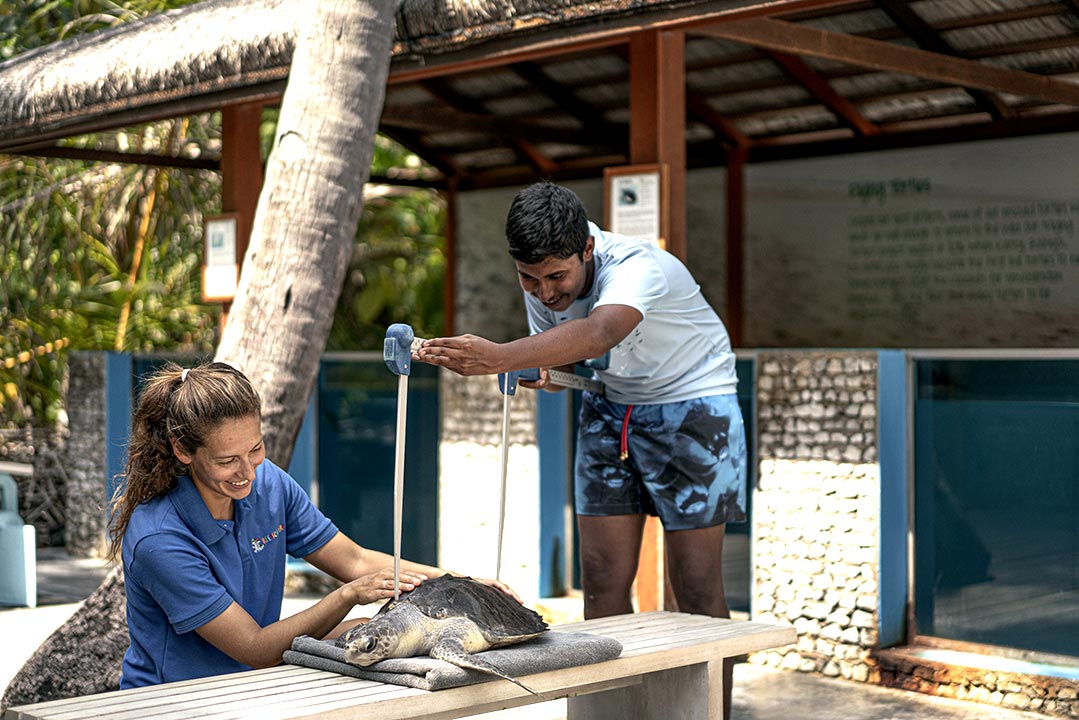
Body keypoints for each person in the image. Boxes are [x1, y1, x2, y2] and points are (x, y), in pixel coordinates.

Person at [415, 181, 746, 717]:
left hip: (694, 408)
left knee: (697, 584)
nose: (545, 293)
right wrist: (542, 373)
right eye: (529, 278)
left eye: (556, 277)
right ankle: (613, 714)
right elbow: (567, 359)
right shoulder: (545, 283)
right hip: (610, 406)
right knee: (600, 575)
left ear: (587, 249)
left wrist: (498, 356)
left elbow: (599, 332)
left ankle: (708, 713)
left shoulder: (638, 265)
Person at [107, 361, 516, 689]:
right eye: (226, 460)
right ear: (183, 450)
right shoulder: (159, 537)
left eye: (256, 449)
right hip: (174, 700)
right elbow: (254, 647)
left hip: (258, 683)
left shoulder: (270, 485)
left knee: (385, 635)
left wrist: (462, 582)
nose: (247, 472)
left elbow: (354, 559)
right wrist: (347, 597)